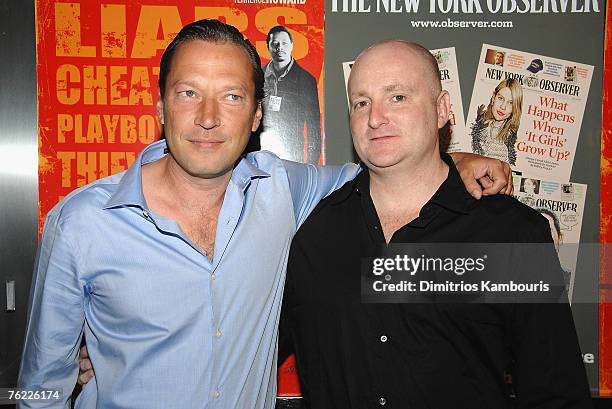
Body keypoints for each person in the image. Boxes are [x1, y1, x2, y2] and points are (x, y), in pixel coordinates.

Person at [20, 20, 511, 409]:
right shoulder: (81, 223)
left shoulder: (285, 189)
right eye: (188, 93)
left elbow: (385, 169)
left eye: (232, 96)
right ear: (160, 107)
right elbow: (39, 388)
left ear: (257, 116)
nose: (208, 116)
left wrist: (452, 159)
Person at [282, 40, 591, 408]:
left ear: (443, 109)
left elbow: (556, 392)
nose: (374, 117)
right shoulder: (313, 234)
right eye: (361, 103)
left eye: (397, 97)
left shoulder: (512, 234)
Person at [261, 26, 321, 164]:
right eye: (275, 43)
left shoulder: (306, 79)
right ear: (268, 47)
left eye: (284, 43)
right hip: (260, 154)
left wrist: (311, 165)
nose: (279, 47)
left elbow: (313, 125)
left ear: (292, 45)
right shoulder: (258, 76)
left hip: (293, 156)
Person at [471, 78, 523, 166]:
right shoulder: (480, 126)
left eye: (510, 103)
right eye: (501, 98)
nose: (503, 107)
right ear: (493, 97)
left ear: (515, 108)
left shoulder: (509, 138)